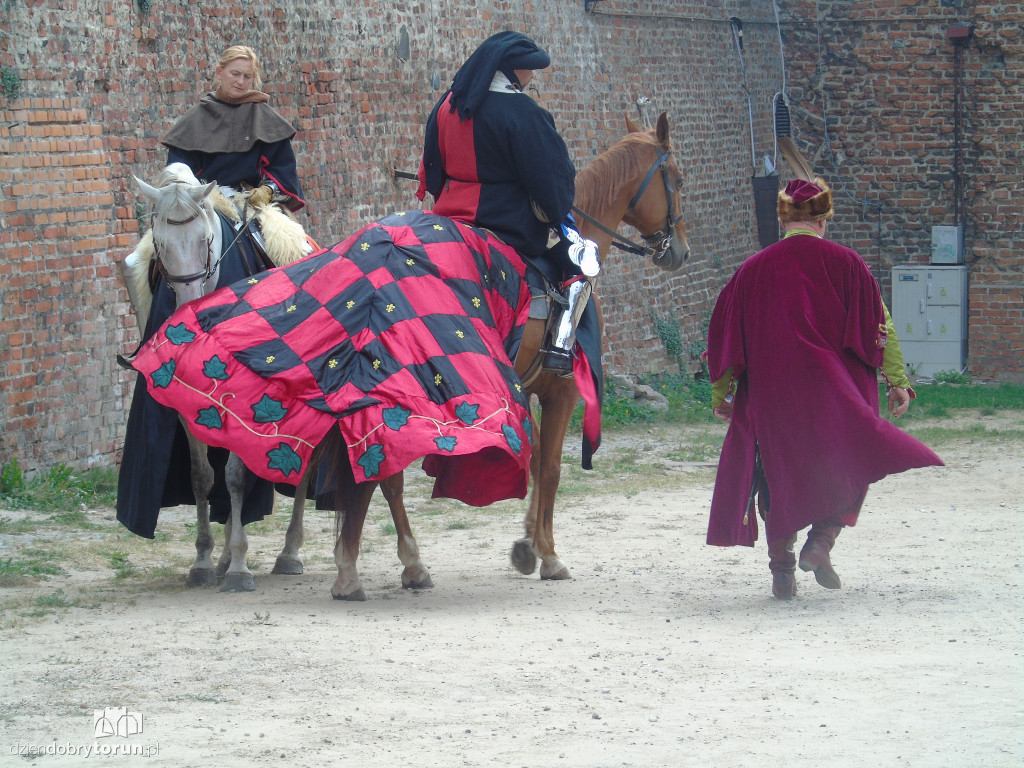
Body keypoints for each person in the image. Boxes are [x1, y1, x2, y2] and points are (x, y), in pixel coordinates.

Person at [705, 177, 944, 600]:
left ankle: (781, 571)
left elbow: (725, 330)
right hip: (835, 394)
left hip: (774, 395)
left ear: (784, 219)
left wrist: (721, 393)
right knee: (853, 459)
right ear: (824, 218)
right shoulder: (848, 263)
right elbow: (880, 325)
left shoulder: (752, 269)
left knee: (773, 473)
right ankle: (821, 543)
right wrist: (897, 381)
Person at [416, 31, 599, 376]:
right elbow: (554, 192)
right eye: (529, 71)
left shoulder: (446, 106)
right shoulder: (524, 114)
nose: (531, 79)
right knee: (584, 258)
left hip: (445, 222)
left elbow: (433, 173)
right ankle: (559, 349)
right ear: (514, 72)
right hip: (506, 228)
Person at [161, 45, 305, 212]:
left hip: (252, 206)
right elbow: (177, 171)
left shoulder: (266, 119)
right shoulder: (194, 119)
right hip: (201, 206)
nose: (240, 81)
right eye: (235, 74)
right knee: (156, 237)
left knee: (286, 236)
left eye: (247, 76)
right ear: (219, 72)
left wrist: (268, 190)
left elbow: (283, 167)